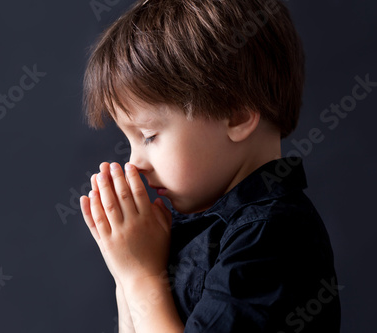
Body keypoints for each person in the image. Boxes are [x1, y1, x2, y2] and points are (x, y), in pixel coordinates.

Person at [79, 0, 341, 332]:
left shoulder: (271, 236)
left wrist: (140, 278)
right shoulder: (187, 223)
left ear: (237, 115)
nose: (135, 163)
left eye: (148, 135)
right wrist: (124, 269)